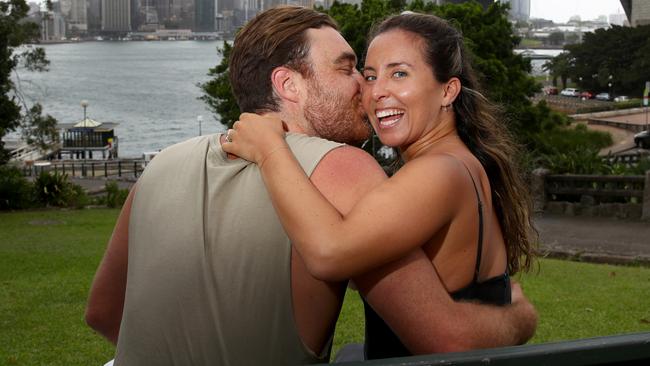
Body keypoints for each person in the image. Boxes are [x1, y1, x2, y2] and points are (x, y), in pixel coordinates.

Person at [85, 6, 536, 365]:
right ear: (289, 85)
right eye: (350, 70)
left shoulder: (161, 164)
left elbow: (102, 313)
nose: (365, 87)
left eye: (389, 73)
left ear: (448, 89)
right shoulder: (346, 170)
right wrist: (517, 317)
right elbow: (441, 332)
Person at [222, 11, 538, 360]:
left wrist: (270, 149)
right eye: (370, 76)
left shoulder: (438, 171)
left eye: (399, 73)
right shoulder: (460, 162)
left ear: (448, 90)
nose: (376, 92)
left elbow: (330, 253)